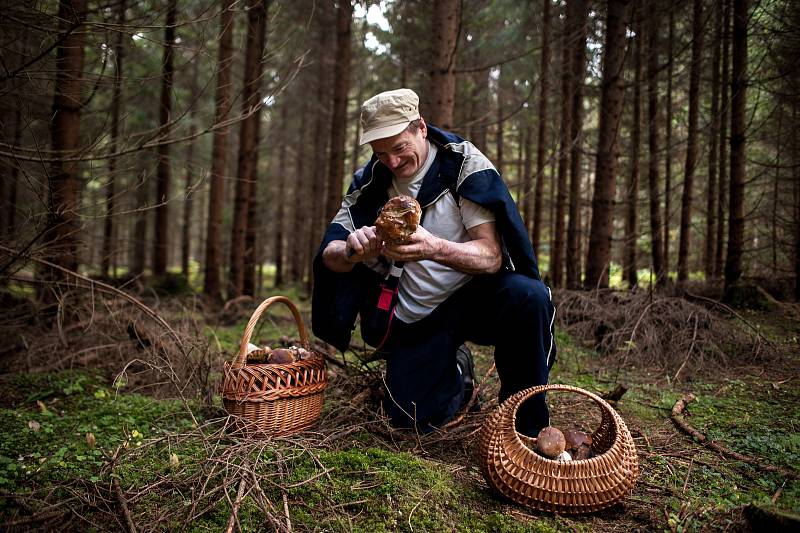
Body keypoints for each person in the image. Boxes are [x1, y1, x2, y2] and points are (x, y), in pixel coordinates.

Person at [312, 88, 556, 435]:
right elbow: (329, 256)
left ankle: (525, 422)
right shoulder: (370, 182)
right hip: (418, 315)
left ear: (421, 127)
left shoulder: (462, 166)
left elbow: (491, 256)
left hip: (474, 296)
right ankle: (458, 373)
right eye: (381, 154)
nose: (393, 162)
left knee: (529, 296)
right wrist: (352, 250)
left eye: (399, 148)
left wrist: (434, 248)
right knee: (410, 419)